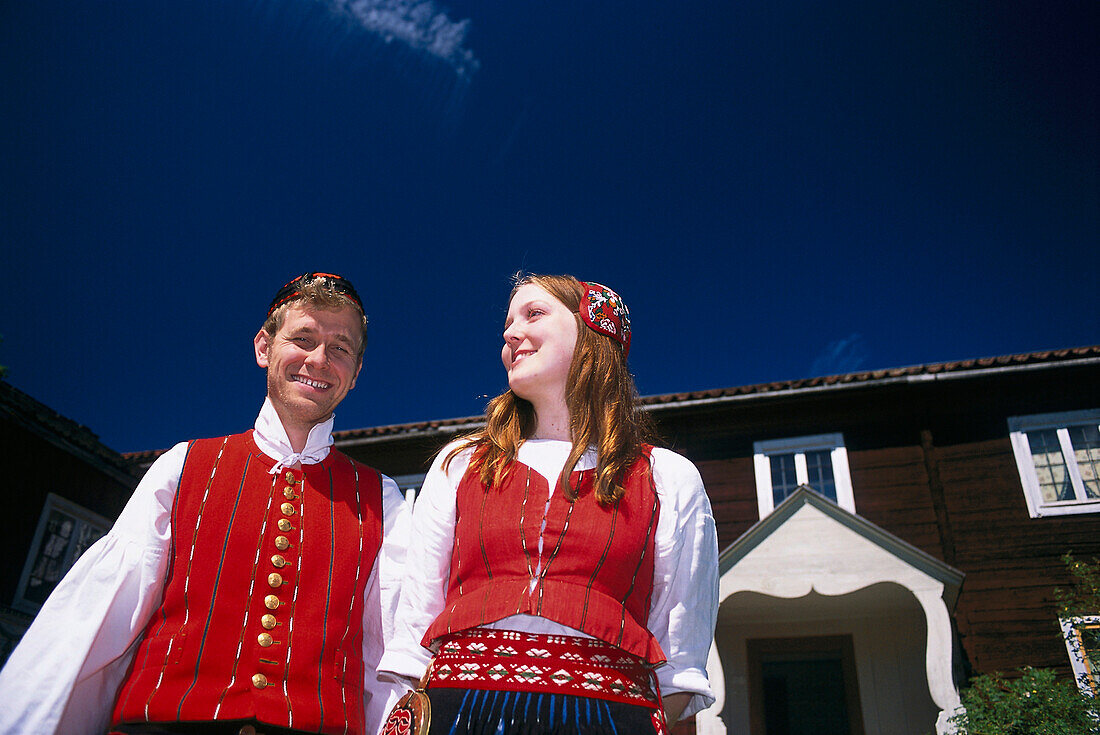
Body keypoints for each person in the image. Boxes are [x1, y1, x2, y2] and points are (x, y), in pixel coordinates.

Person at [0, 272, 410, 735]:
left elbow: (388, 654)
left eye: (341, 348)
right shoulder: (185, 464)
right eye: (304, 338)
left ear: (355, 374)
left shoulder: (383, 500)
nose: (319, 359)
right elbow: (98, 618)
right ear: (264, 348)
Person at [378, 275, 718, 734]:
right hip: (459, 715)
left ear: (594, 331)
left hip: (608, 718)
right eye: (507, 323)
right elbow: (416, 633)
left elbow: (679, 661)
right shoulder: (459, 465)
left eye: (533, 314)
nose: (510, 333)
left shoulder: (668, 477)